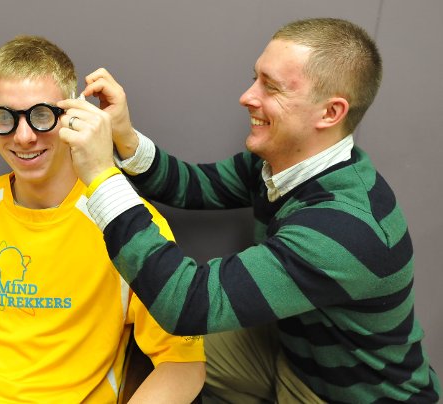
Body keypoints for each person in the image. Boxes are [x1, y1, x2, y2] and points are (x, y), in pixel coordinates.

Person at [57, 17, 441, 403]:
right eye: (255, 78)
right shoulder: (283, 162)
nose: (247, 96)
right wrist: (125, 136)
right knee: (178, 357)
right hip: (289, 353)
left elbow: (187, 303)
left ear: (330, 113)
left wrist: (101, 176)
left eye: (271, 87)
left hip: (349, 396)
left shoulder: (345, 227)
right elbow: (193, 186)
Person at [0, 35, 205, 403]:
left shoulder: (127, 224)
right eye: (4, 118)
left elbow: (182, 363)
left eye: (41, 116)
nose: (23, 137)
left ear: (71, 115)